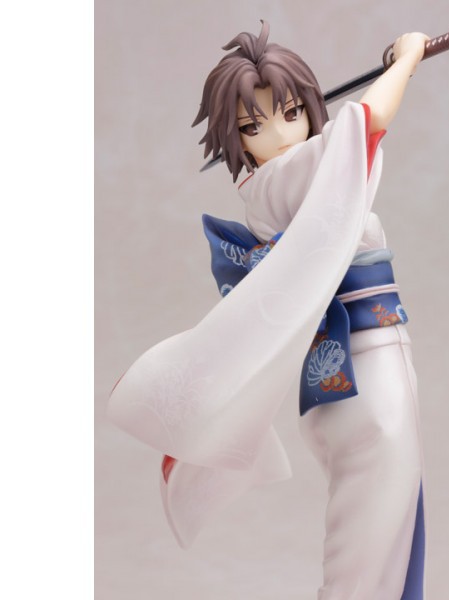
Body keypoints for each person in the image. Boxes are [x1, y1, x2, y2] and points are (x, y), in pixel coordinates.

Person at [109, 20, 429, 600]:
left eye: (291, 113)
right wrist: (406, 59)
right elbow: (368, 120)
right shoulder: (289, 176)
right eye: (254, 126)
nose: (280, 136)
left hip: (342, 379)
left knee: (384, 524)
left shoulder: (269, 190)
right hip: (367, 369)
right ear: (236, 141)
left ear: (309, 108)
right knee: (374, 530)